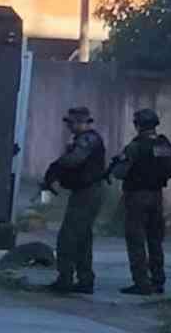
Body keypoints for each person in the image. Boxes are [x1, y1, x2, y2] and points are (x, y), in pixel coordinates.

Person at [108, 108, 171, 295]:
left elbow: (119, 173)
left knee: (136, 239)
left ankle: (141, 283)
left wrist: (116, 164)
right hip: (157, 195)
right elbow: (170, 170)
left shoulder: (135, 147)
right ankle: (158, 281)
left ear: (137, 125)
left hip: (137, 195)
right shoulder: (164, 145)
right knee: (155, 239)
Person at [41, 106, 106, 294]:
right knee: (82, 238)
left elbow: (74, 160)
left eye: (71, 123)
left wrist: (56, 166)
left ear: (81, 122)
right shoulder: (84, 139)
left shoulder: (88, 139)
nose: (69, 127)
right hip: (84, 192)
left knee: (68, 237)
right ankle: (85, 280)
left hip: (87, 193)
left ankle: (66, 279)